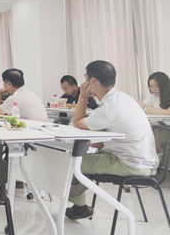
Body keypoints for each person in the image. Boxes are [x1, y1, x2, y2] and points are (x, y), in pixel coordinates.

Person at [66, 61, 158, 220]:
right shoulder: (123, 98)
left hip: (130, 164)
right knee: (82, 159)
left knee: (71, 161)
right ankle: (77, 204)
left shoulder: (109, 108)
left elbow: (78, 124)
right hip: (146, 161)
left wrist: (82, 96)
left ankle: (77, 205)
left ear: (92, 81)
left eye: (85, 78)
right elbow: (106, 140)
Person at [138, 71, 170, 152]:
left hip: (166, 126)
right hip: (159, 125)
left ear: (164, 84)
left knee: (154, 126)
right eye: (151, 86)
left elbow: (167, 112)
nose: (153, 89)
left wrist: (146, 108)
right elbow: (140, 107)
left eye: (156, 86)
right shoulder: (153, 97)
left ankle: (158, 151)